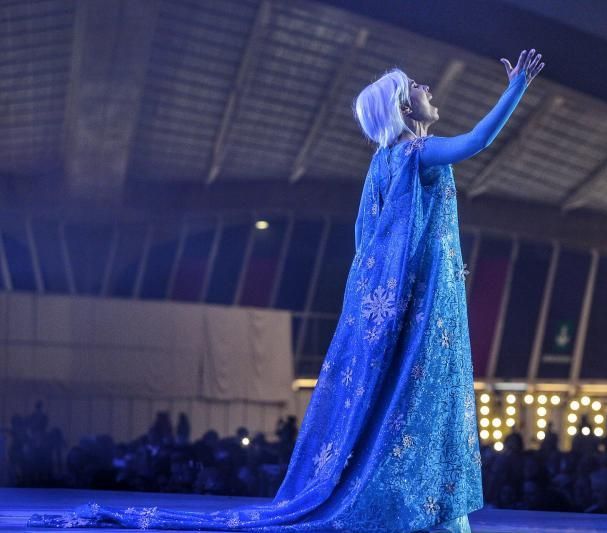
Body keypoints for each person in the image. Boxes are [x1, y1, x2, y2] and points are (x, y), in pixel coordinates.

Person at [27, 48, 545, 532]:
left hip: (401, 309)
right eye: (414, 85)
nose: (427, 86)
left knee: (396, 404)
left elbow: (372, 244)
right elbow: (476, 142)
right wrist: (515, 87)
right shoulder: (417, 152)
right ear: (404, 108)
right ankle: (420, 510)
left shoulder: (382, 164)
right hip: (419, 312)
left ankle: (412, 506)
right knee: (417, 401)